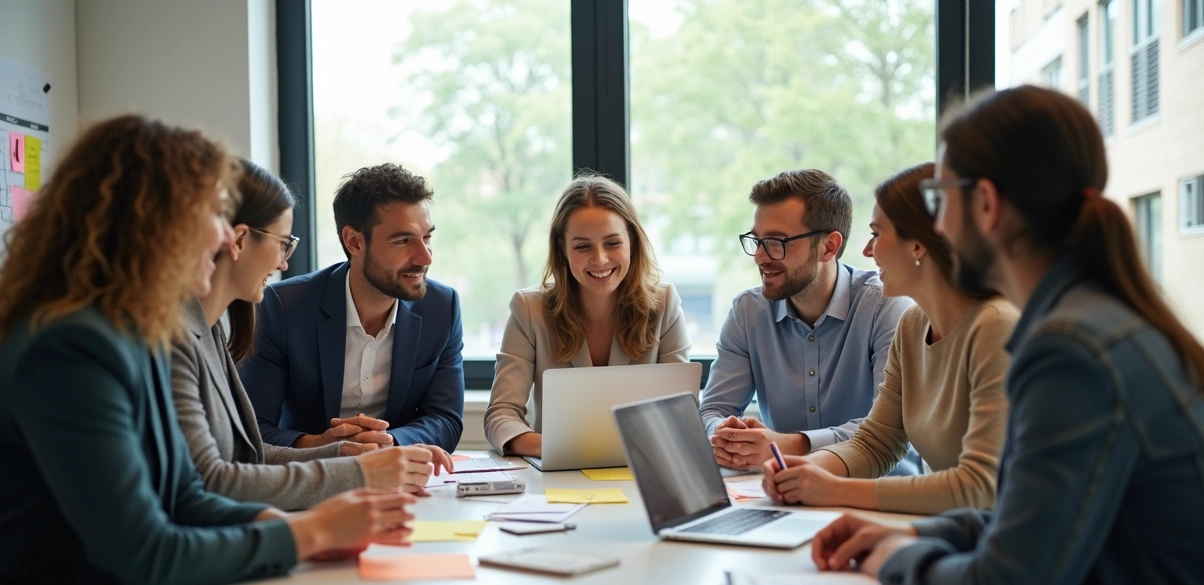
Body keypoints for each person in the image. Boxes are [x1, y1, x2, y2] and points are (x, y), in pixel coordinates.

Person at [0, 116, 417, 585]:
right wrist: (311, 534)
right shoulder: (71, 349)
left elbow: (187, 494)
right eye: (212, 213)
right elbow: (148, 553)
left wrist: (298, 528)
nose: (222, 234)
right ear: (153, 222)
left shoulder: (135, 331)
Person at [808, 86, 1204, 585]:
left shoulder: (1069, 348)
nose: (937, 226)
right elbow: (1030, 516)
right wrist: (920, 535)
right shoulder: (1092, 321)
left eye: (940, 199)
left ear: (987, 205)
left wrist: (891, 560)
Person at [172, 159, 452, 511]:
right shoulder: (179, 338)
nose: (284, 263)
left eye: (427, 237)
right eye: (283, 243)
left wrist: (346, 452)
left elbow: (246, 454)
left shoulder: (209, 329)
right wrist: (353, 476)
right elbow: (215, 478)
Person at [762, 163, 1017, 515]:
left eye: (877, 234)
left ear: (918, 245)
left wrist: (834, 489)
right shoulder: (912, 324)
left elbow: (978, 486)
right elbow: (877, 442)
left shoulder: (996, 326)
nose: (868, 251)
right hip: (959, 529)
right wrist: (807, 469)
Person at [701, 169, 917, 474]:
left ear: (829, 247)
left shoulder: (887, 306)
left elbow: (889, 428)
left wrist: (791, 445)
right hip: (784, 489)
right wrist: (726, 435)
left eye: (776, 242)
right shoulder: (747, 312)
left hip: (879, 489)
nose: (760, 256)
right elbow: (713, 410)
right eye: (757, 240)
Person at [239, 164, 464, 452]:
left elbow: (445, 419)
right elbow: (252, 427)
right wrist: (323, 446)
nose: (425, 257)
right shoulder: (283, 307)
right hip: (310, 471)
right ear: (354, 242)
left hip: (395, 467)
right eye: (403, 241)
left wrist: (388, 442)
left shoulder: (442, 308)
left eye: (427, 237)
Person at [485, 174, 691, 456]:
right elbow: (501, 415)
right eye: (583, 246)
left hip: (642, 468)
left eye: (612, 243)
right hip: (557, 469)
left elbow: (681, 412)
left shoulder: (664, 304)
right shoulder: (529, 309)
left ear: (631, 240)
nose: (600, 259)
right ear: (562, 248)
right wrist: (557, 448)